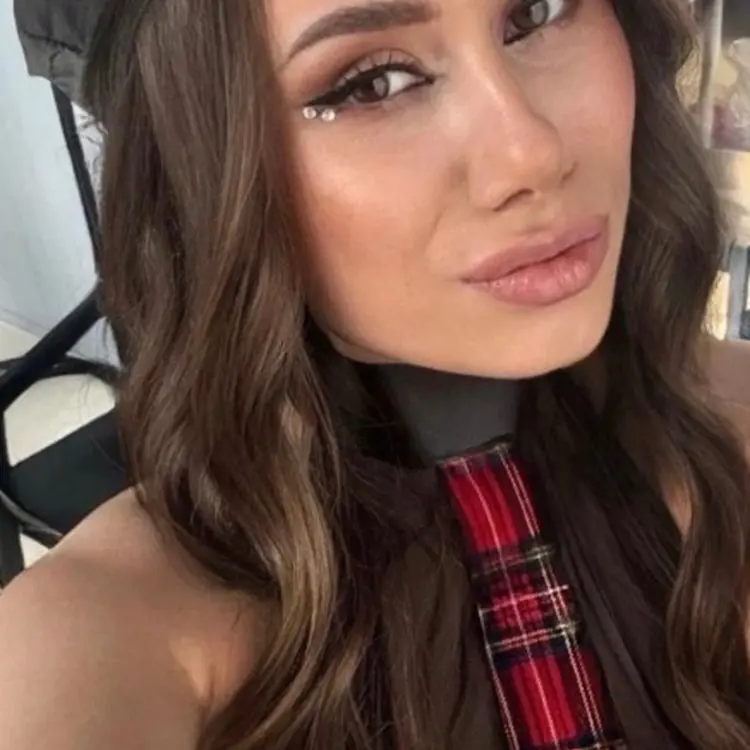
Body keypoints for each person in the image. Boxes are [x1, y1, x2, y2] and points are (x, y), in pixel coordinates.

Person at [1, 0, 750, 747]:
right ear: (204, 169)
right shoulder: (108, 631)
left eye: (537, 13)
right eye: (371, 84)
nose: (531, 153)